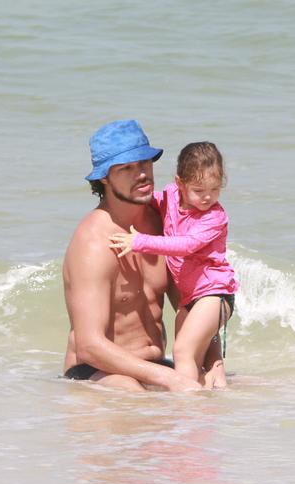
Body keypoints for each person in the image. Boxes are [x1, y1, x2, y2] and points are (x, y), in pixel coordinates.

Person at [62, 119, 203, 391]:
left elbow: (190, 305)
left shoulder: (162, 223)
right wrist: (171, 378)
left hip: (154, 365)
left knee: (236, 387)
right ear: (104, 178)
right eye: (127, 168)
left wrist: (211, 362)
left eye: (145, 163)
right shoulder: (93, 241)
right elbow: (89, 346)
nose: (141, 174)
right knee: (132, 392)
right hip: (96, 370)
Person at [109, 142, 239, 388]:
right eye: (199, 190)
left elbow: (187, 245)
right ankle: (207, 413)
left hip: (215, 294)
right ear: (180, 183)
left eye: (215, 189)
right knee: (197, 363)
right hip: (188, 298)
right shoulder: (170, 196)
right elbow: (154, 202)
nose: (208, 197)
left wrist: (140, 242)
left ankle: (183, 411)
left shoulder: (215, 217)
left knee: (182, 352)